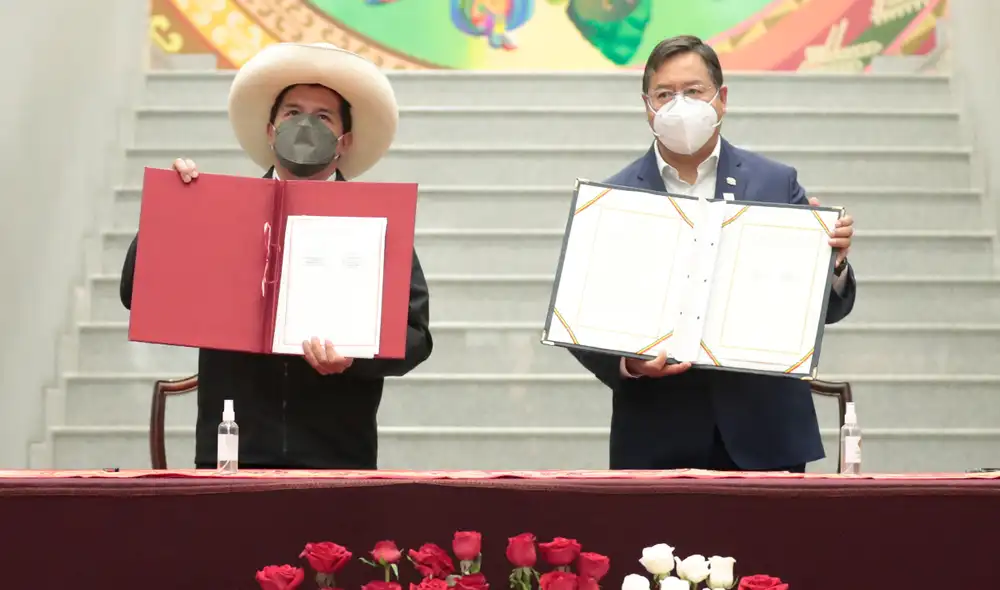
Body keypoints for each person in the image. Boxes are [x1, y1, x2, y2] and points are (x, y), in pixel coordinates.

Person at [120, 43, 433, 470]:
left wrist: (354, 357)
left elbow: (416, 336)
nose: (305, 125)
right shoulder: (221, 210)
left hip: (337, 454)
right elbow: (135, 291)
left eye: (323, 117)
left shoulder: (374, 220)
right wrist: (176, 211)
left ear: (345, 140)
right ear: (270, 130)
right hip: (231, 451)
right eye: (292, 113)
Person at [571, 36, 857, 472]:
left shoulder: (776, 184)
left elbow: (827, 310)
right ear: (647, 105)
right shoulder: (614, 199)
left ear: (721, 99)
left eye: (694, 91)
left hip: (766, 436)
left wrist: (831, 264)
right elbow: (580, 315)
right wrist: (629, 363)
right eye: (664, 94)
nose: (679, 105)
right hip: (657, 439)